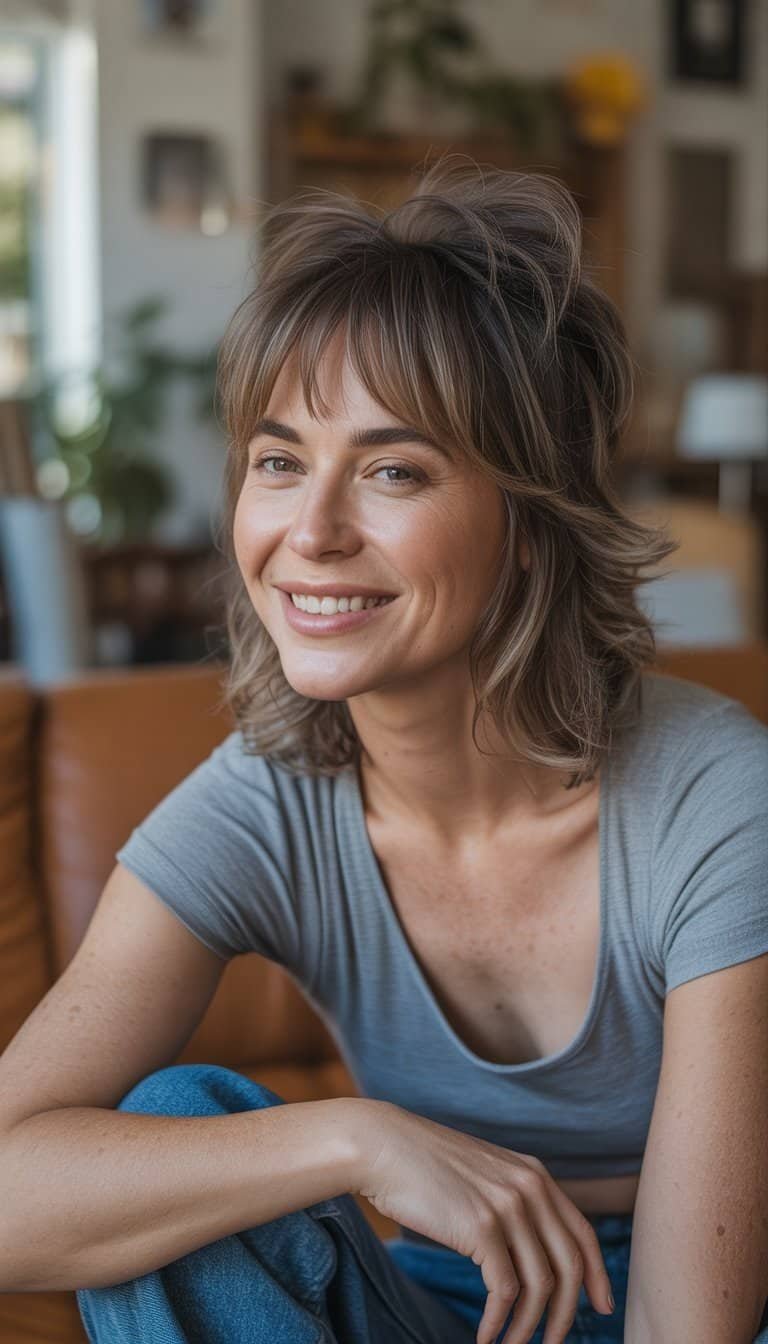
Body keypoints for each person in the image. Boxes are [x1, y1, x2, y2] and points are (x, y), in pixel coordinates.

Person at [0, 156, 766, 1344]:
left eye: (393, 470)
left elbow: (692, 1325)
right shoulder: (264, 804)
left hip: (708, 1295)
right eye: (278, 460)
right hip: (436, 1295)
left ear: (530, 521)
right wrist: (349, 1136)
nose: (311, 532)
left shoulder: (712, 795)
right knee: (181, 1123)